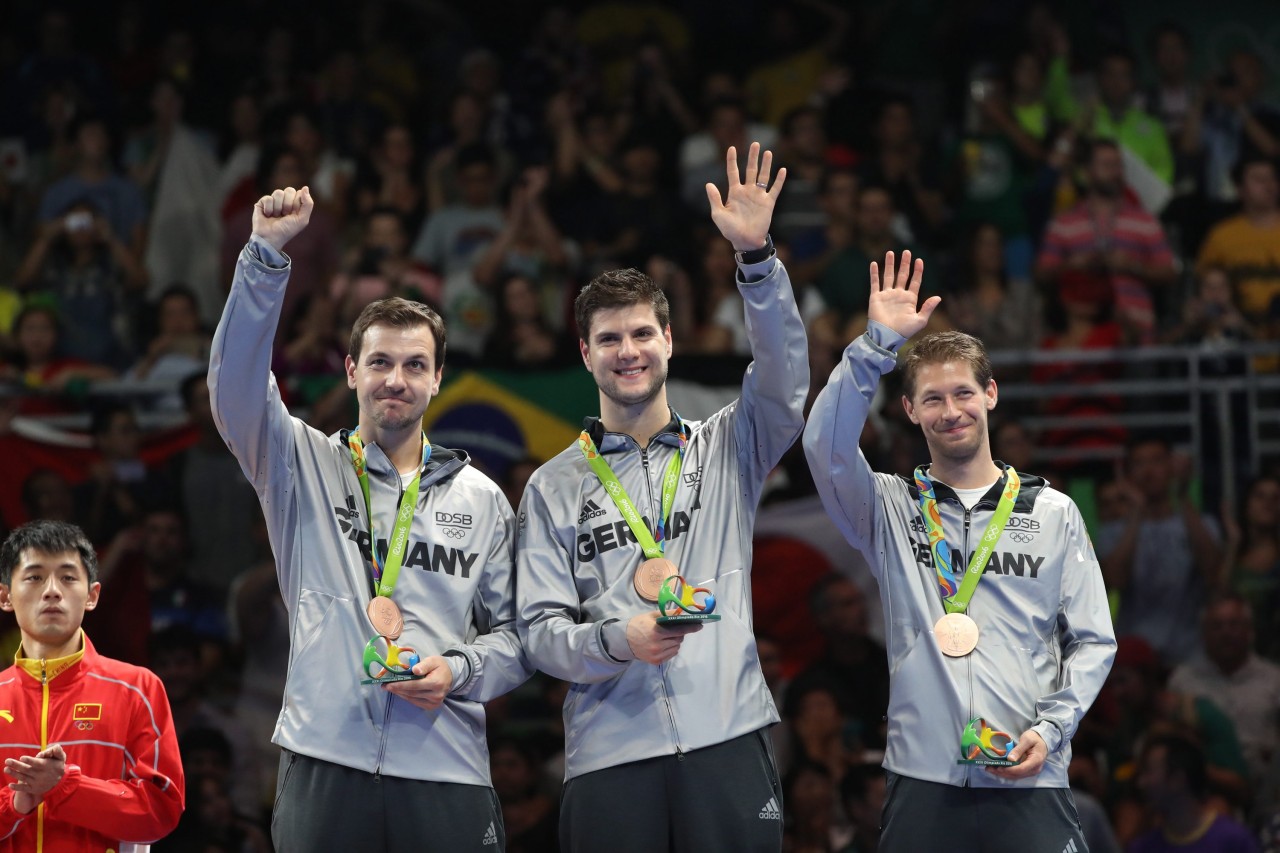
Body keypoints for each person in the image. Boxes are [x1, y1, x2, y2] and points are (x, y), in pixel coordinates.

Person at [209, 185, 532, 852]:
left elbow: (520, 636)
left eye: (416, 365)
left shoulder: (481, 497)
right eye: (380, 362)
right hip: (326, 757)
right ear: (351, 370)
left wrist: (461, 669)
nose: (396, 379)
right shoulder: (299, 464)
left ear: (439, 378)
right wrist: (264, 259)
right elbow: (235, 390)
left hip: (448, 764)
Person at [516, 142, 808, 852]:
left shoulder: (728, 444)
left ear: (670, 340)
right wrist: (621, 640)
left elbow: (784, 380)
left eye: (643, 331)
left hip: (727, 736)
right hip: (610, 755)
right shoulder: (552, 486)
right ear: (584, 353)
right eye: (608, 337)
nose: (628, 350)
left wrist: (757, 261)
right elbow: (538, 632)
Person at [803, 250, 1116, 852]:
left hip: (1030, 773)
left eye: (963, 393)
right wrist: (873, 347)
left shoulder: (1052, 513)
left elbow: (1094, 640)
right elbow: (824, 447)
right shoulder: (888, 510)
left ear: (990, 394)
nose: (952, 412)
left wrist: (1052, 730)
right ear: (909, 410)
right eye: (934, 399)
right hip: (924, 780)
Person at [0, 519, 184, 849]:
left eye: (68, 577)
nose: (52, 590)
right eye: (34, 577)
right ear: (6, 596)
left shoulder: (138, 688)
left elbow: (161, 811)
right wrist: (15, 803)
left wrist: (65, 787)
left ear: (92, 595)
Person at [1130, 735, 1260, 853]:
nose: (1141, 783)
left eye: (1148, 772)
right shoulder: (1144, 847)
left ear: (1177, 779)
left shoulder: (1232, 841)